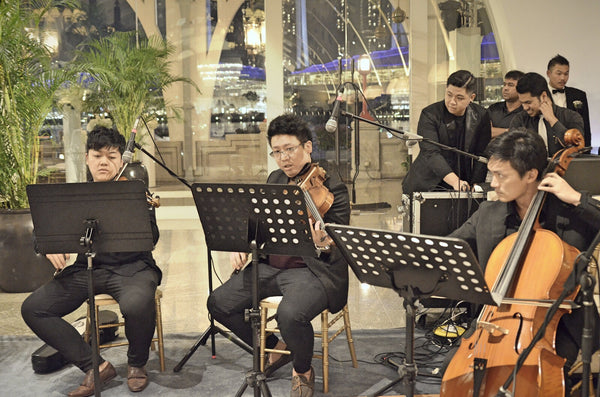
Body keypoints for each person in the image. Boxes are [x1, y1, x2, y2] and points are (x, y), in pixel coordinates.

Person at [207, 113, 350, 397]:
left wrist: (323, 241)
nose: (284, 158)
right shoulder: (275, 179)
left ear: (307, 147)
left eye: (289, 149)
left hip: (312, 271)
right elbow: (256, 222)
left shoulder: (333, 186)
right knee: (218, 304)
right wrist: (242, 244)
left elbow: (342, 239)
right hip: (270, 265)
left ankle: (302, 369)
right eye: (277, 152)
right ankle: (277, 346)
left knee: (290, 314)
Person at [449, 129, 600, 393]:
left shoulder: (569, 214)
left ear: (531, 175)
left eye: (500, 175)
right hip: (492, 324)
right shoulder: (489, 213)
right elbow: (450, 246)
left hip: (558, 327)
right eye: (491, 174)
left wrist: (578, 199)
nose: (493, 184)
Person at [21, 126, 161, 396]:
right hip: (88, 269)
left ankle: (136, 364)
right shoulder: (76, 195)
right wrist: (47, 246)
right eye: (98, 156)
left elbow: (151, 238)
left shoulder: (134, 191)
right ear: (87, 158)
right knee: (34, 308)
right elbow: (44, 231)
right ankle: (95, 366)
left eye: (111, 156)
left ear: (122, 160)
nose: (104, 162)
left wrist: (138, 208)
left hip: (133, 269)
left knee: (137, 302)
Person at [402, 70, 491, 196]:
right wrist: (455, 181)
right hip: (428, 183)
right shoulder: (430, 114)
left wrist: (476, 185)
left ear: (471, 98)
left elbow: (481, 155)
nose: (452, 102)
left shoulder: (481, 115)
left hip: (463, 183)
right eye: (449, 95)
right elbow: (431, 153)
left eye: (459, 98)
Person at [509, 72, 584, 157]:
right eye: (522, 103)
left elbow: (577, 149)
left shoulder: (571, 117)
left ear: (544, 96)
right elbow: (513, 153)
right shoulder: (519, 120)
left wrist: (553, 121)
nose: (525, 108)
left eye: (528, 102)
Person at [546, 54, 592, 147]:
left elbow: (585, 126)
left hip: (573, 147)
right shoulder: (541, 95)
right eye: (558, 73)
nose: (563, 78)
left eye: (566, 74)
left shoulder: (579, 95)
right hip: (548, 148)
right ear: (548, 73)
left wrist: (586, 150)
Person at [487, 70, 524, 137]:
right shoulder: (493, 108)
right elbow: (486, 132)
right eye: (504, 84)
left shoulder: (526, 111)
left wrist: (496, 131)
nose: (505, 88)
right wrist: (510, 131)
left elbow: (523, 135)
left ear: (521, 88)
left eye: (511, 85)